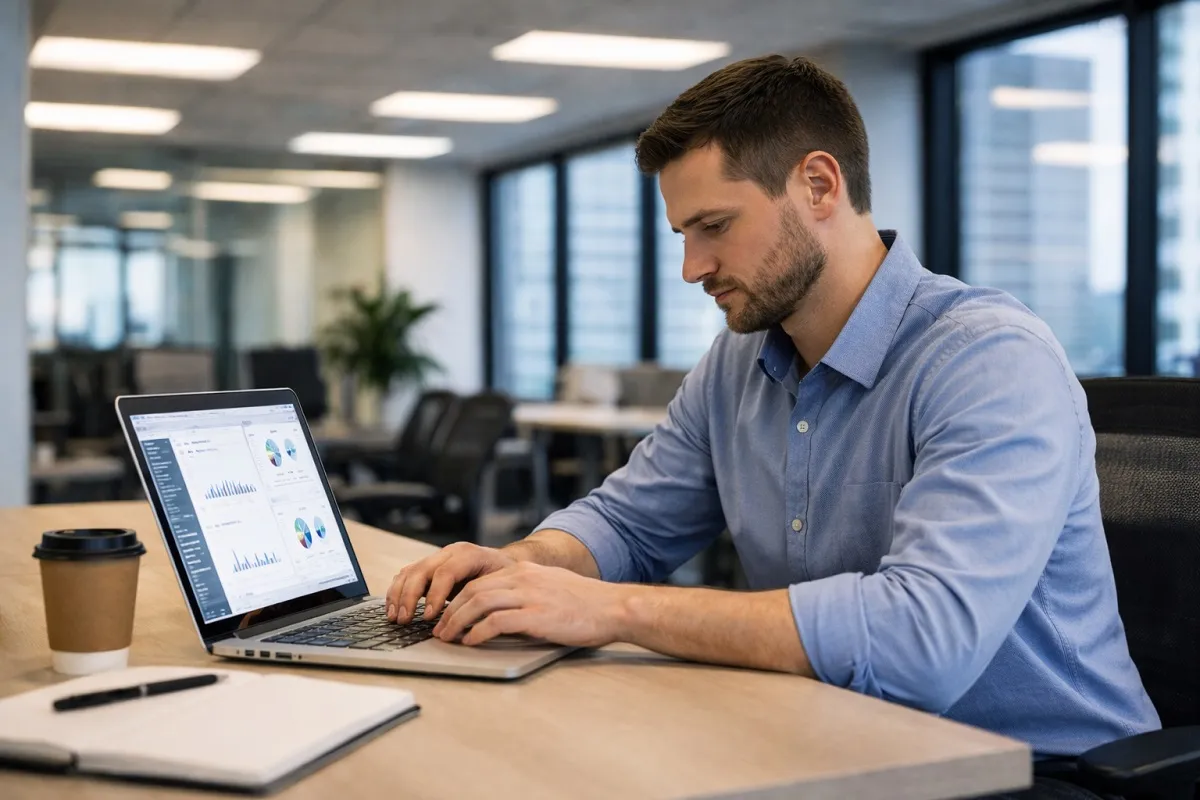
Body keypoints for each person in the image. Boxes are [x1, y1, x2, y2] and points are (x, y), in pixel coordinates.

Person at [386, 55, 1159, 798]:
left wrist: (611, 609)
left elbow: (924, 640)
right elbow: (628, 522)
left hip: (1039, 773)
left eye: (713, 226)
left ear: (819, 185)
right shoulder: (737, 365)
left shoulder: (987, 359)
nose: (692, 267)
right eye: (683, 234)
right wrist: (519, 567)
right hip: (840, 739)